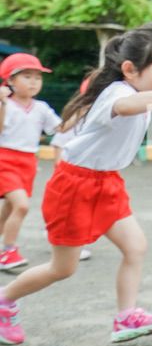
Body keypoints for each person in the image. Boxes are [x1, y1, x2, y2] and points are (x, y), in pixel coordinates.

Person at [0, 24, 152, 346]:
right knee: (62, 268)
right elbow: (124, 108)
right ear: (130, 69)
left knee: (135, 247)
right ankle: (5, 299)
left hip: (107, 182)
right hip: (75, 185)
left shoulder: (141, 94)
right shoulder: (119, 92)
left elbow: (142, 106)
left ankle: (126, 317)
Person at [0, 54, 61, 270]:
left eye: (38, 77)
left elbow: (60, 128)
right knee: (21, 206)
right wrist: (2, 103)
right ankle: (8, 251)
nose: (34, 82)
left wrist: (84, 113)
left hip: (28, 163)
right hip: (4, 160)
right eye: (27, 76)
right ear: (10, 80)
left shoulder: (41, 107)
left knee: (9, 209)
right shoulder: (5, 104)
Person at [49, 76, 93, 262]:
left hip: (89, 174)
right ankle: (66, 243)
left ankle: (75, 243)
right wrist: (61, 169)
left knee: (84, 211)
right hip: (70, 175)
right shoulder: (76, 119)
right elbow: (59, 142)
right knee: (70, 212)